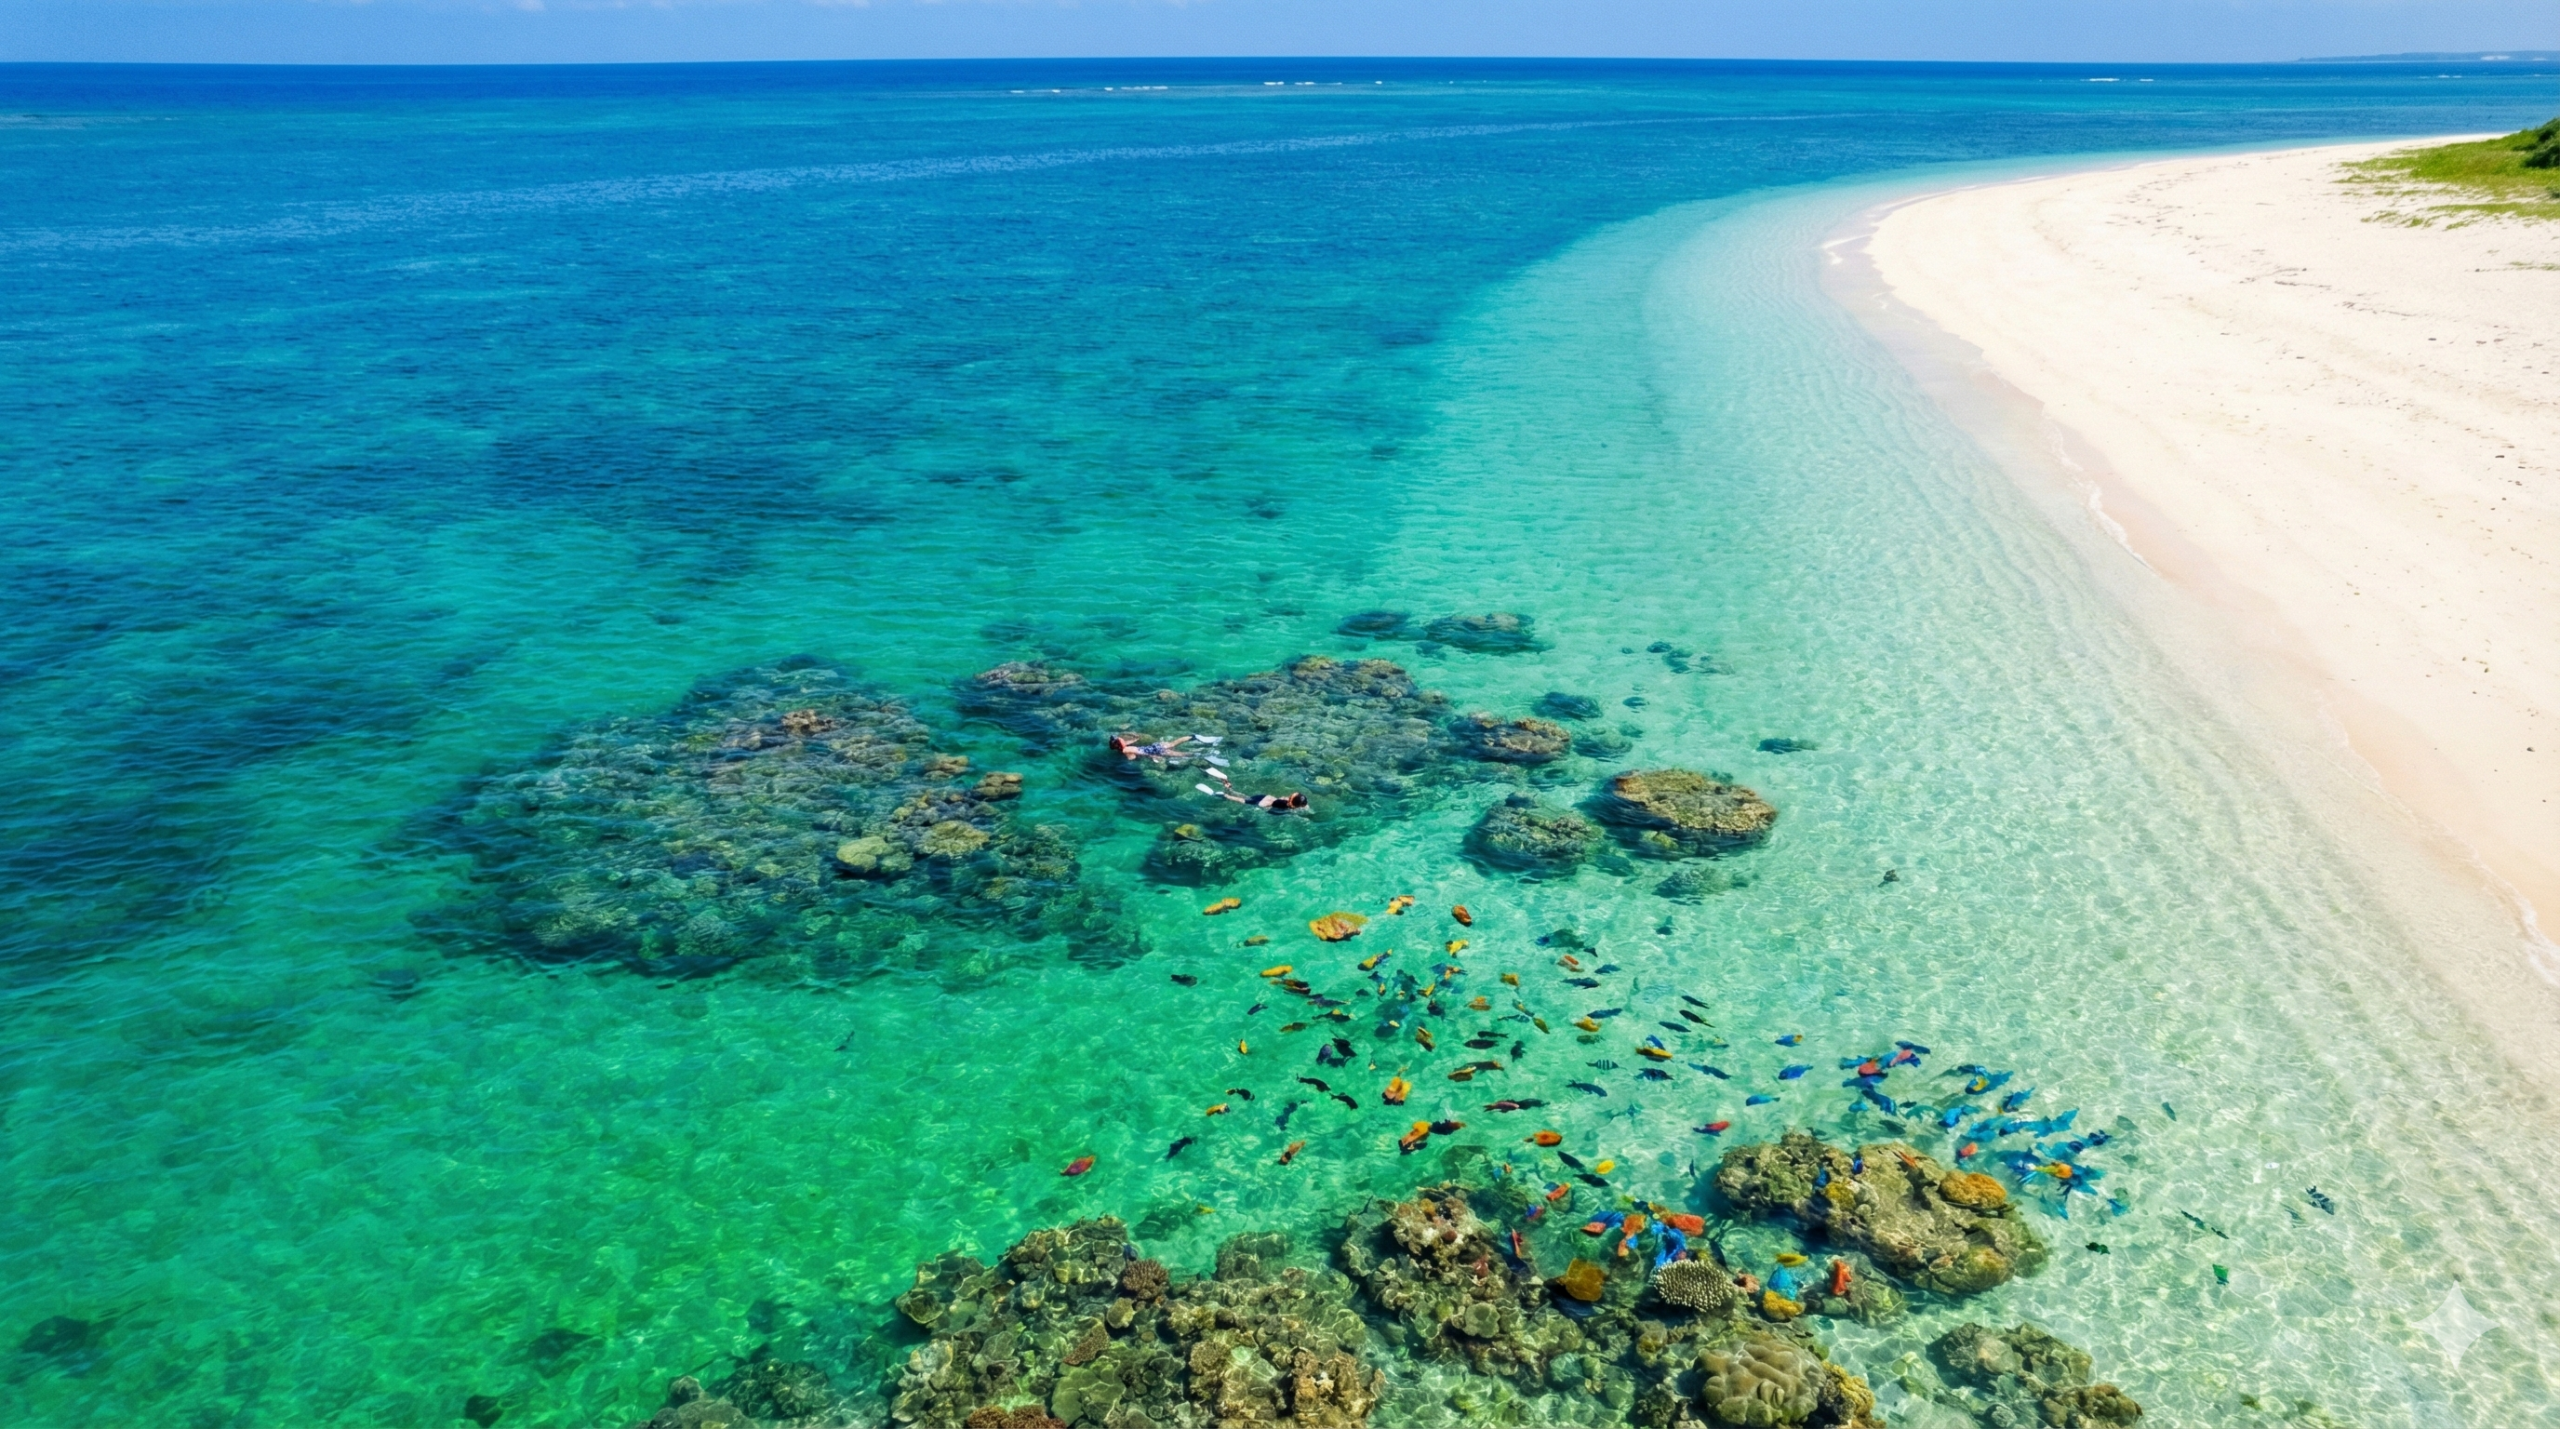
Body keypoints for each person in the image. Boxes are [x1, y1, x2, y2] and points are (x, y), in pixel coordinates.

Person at [1198, 783, 1306, 812]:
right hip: (1261, 803)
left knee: (1245, 797)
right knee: (1241, 800)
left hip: (1264, 797)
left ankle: (1229, 790)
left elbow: (1282, 798)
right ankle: (1224, 795)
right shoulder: (1288, 806)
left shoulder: (1287, 802)